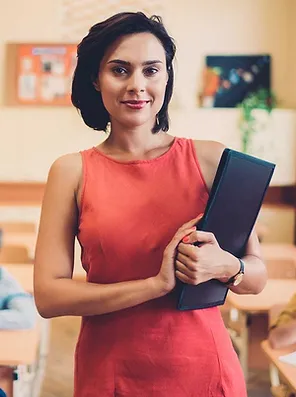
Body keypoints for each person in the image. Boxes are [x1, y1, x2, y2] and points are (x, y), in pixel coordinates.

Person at [34, 12, 267, 396]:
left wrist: (228, 265)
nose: (137, 86)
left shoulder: (213, 160)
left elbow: (256, 277)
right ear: (96, 79)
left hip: (206, 372)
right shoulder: (71, 171)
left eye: (151, 70)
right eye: (120, 70)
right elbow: (48, 296)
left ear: (166, 77)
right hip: (110, 373)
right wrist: (154, 285)